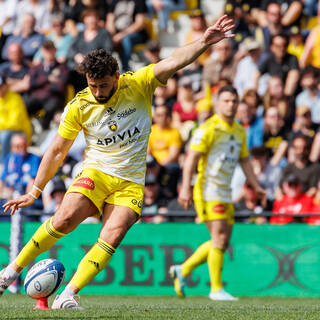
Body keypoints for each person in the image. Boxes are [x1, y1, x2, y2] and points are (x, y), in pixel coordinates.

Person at [1, 15, 236, 309]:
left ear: (116, 75)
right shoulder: (79, 105)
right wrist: (34, 192)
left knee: (112, 234)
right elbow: (57, 151)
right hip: (97, 172)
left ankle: (68, 294)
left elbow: (173, 61)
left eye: (103, 85)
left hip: (131, 182)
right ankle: (9, 273)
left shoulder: (138, 84)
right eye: (93, 86)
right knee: (63, 218)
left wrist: (204, 41)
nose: (98, 92)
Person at [169, 85, 265, 301]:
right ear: (217, 103)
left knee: (220, 240)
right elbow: (191, 159)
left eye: (234, 101)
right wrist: (185, 187)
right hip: (208, 190)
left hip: (226, 191)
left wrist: (256, 185)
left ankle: (182, 270)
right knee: (219, 238)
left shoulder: (239, 130)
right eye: (226, 101)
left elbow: (245, 161)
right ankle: (216, 288)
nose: (231, 105)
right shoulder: (208, 128)